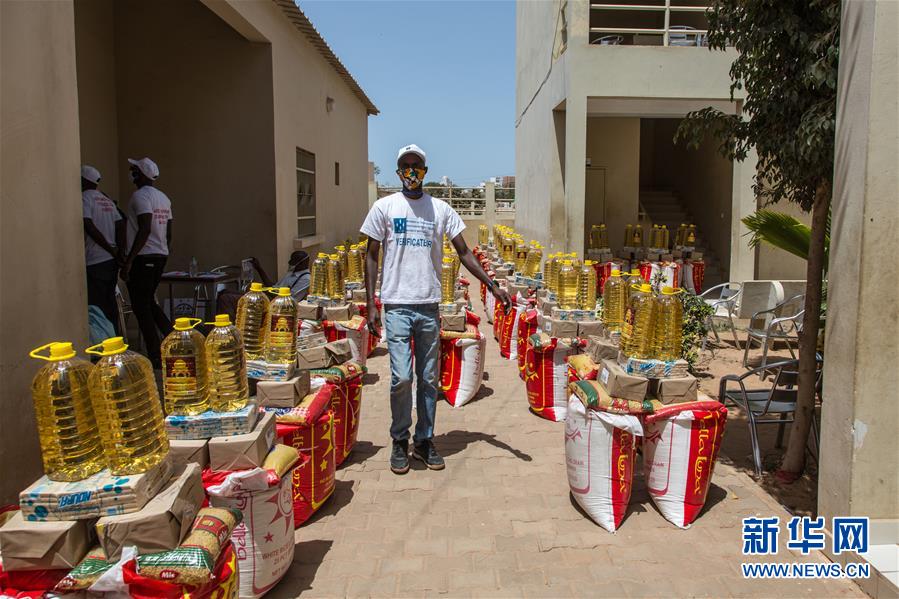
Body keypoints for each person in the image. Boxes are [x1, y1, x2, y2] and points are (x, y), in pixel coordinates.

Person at [360, 144, 511, 474]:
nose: (411, 170)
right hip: (397, 306)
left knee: (428, 379)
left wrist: (493, 285)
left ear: (425, 171)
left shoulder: (440, 210)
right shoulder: (384, 207)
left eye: (416, 165)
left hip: (428, 305)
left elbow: (465, 252)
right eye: (405, 165)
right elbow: (370, 256)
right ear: (398, 171)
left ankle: (424, 440)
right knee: (402, 377)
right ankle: (399, 439)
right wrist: (372, 303)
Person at [121, 157, 173, 368]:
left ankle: (155, 354)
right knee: (149, 302)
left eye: (134, 169)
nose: (131, 172)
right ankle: (172, 338)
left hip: (144, 257)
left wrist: (129, 260)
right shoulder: (164, 198)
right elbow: (168, 232)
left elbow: (145, 228)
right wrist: (163, 251)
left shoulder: (140, 196)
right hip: (159, 255)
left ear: (141, 174)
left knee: (141, 307)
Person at [81, 165, 125, 334]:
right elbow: (120, 224)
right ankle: (115, 338)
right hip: (110, 261)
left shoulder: (85, 198)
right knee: (109, 303)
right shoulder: (106, 200)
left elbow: (88, 225)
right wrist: (119, 251)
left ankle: (103, 341)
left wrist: (110, 249)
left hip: (95, 260)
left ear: (83, 180)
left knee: (97, 308)